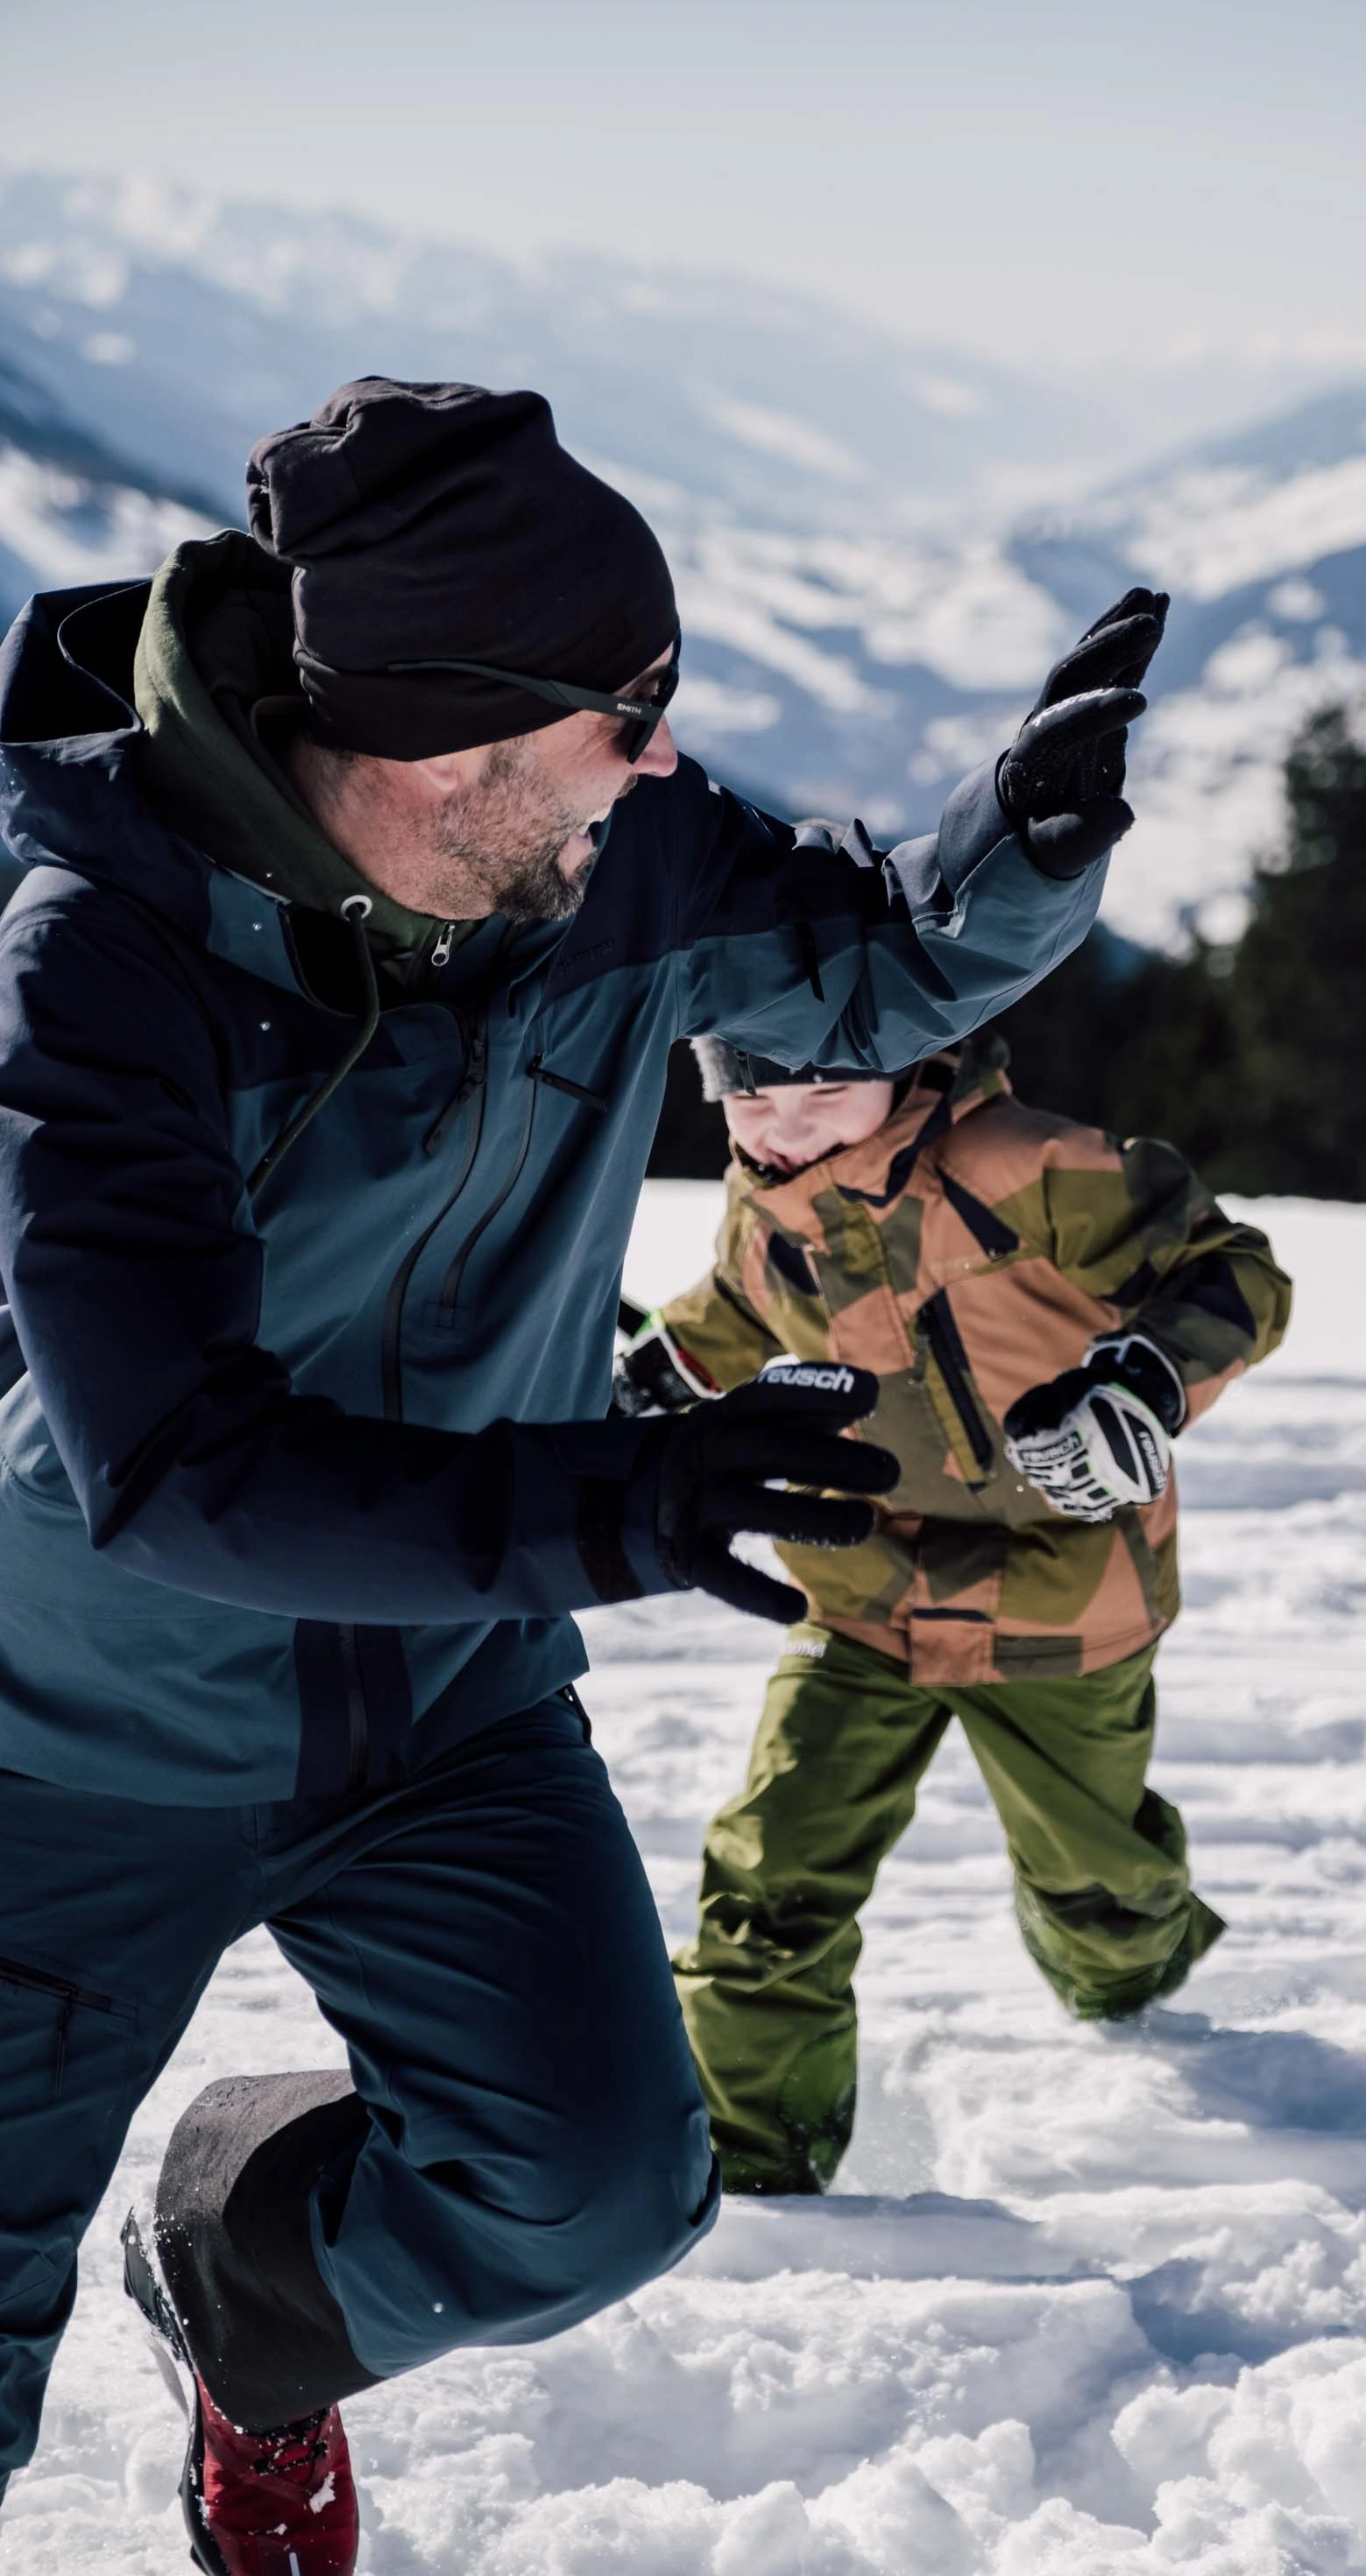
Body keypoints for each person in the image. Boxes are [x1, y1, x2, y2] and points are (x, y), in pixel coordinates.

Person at [0, 372, 1168, 2574]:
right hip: (69, 1732)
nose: (661, 757)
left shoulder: (602, 861)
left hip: (442, 1711)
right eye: (624, 713)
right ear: (446, 746)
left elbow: (874, 948)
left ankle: (250, 2300)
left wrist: (1019, 834)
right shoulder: (100, 964)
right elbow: (165, 1462)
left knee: (595, 2194)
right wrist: (611, 1505)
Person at [614, 1030, 1292, 2195]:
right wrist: (668, 1368)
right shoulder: (765, 1201)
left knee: (1104, 1892)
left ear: (914, 1058)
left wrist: (1142, 1377)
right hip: (859, 1591)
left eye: (827, 1086)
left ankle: (1133, 1994)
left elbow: (1232, 1269)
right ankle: (759, 2173)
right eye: (750, 1092)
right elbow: (744, 1303)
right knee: (769, 1881)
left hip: (1064, 1600)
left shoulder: (1025, 1168)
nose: (783, 1123)